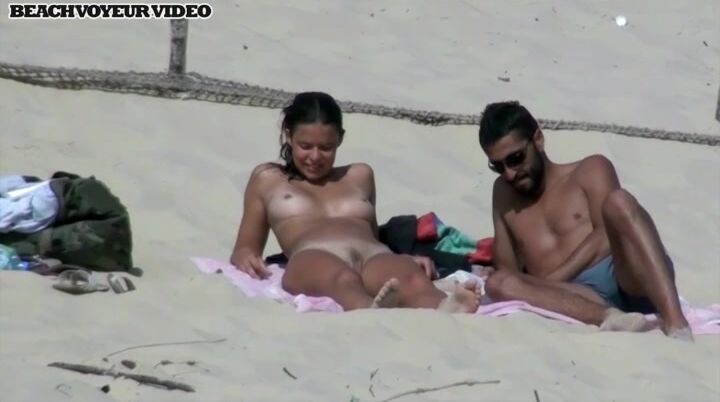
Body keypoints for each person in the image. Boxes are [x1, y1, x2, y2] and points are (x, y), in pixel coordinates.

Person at [230, 91, 480, 312]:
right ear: (289, 136)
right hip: (313, 255)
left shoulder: (359, 175)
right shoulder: (268, 179)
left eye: (326, 147)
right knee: (342, 280)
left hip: (372, 253)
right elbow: (245, 248)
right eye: (305, 146)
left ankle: (447, 306)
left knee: (411, 279)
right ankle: (368, 309)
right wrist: (245, 256)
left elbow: (372, 234)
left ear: (340, 139)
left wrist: (405, 259)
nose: (315, 157)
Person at [478, 100, 692, 341]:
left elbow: (607, 237)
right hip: (574, 295)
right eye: (498, 166)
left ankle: (677, 324)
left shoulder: (589, 170)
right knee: (498, 283)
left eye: (516, 158)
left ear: (538, 139)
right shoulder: (503, 194)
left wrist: (552, 278)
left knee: (620, 201)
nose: (509, 173)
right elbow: (508, 270)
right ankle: (610, 317)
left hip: (625, 275)